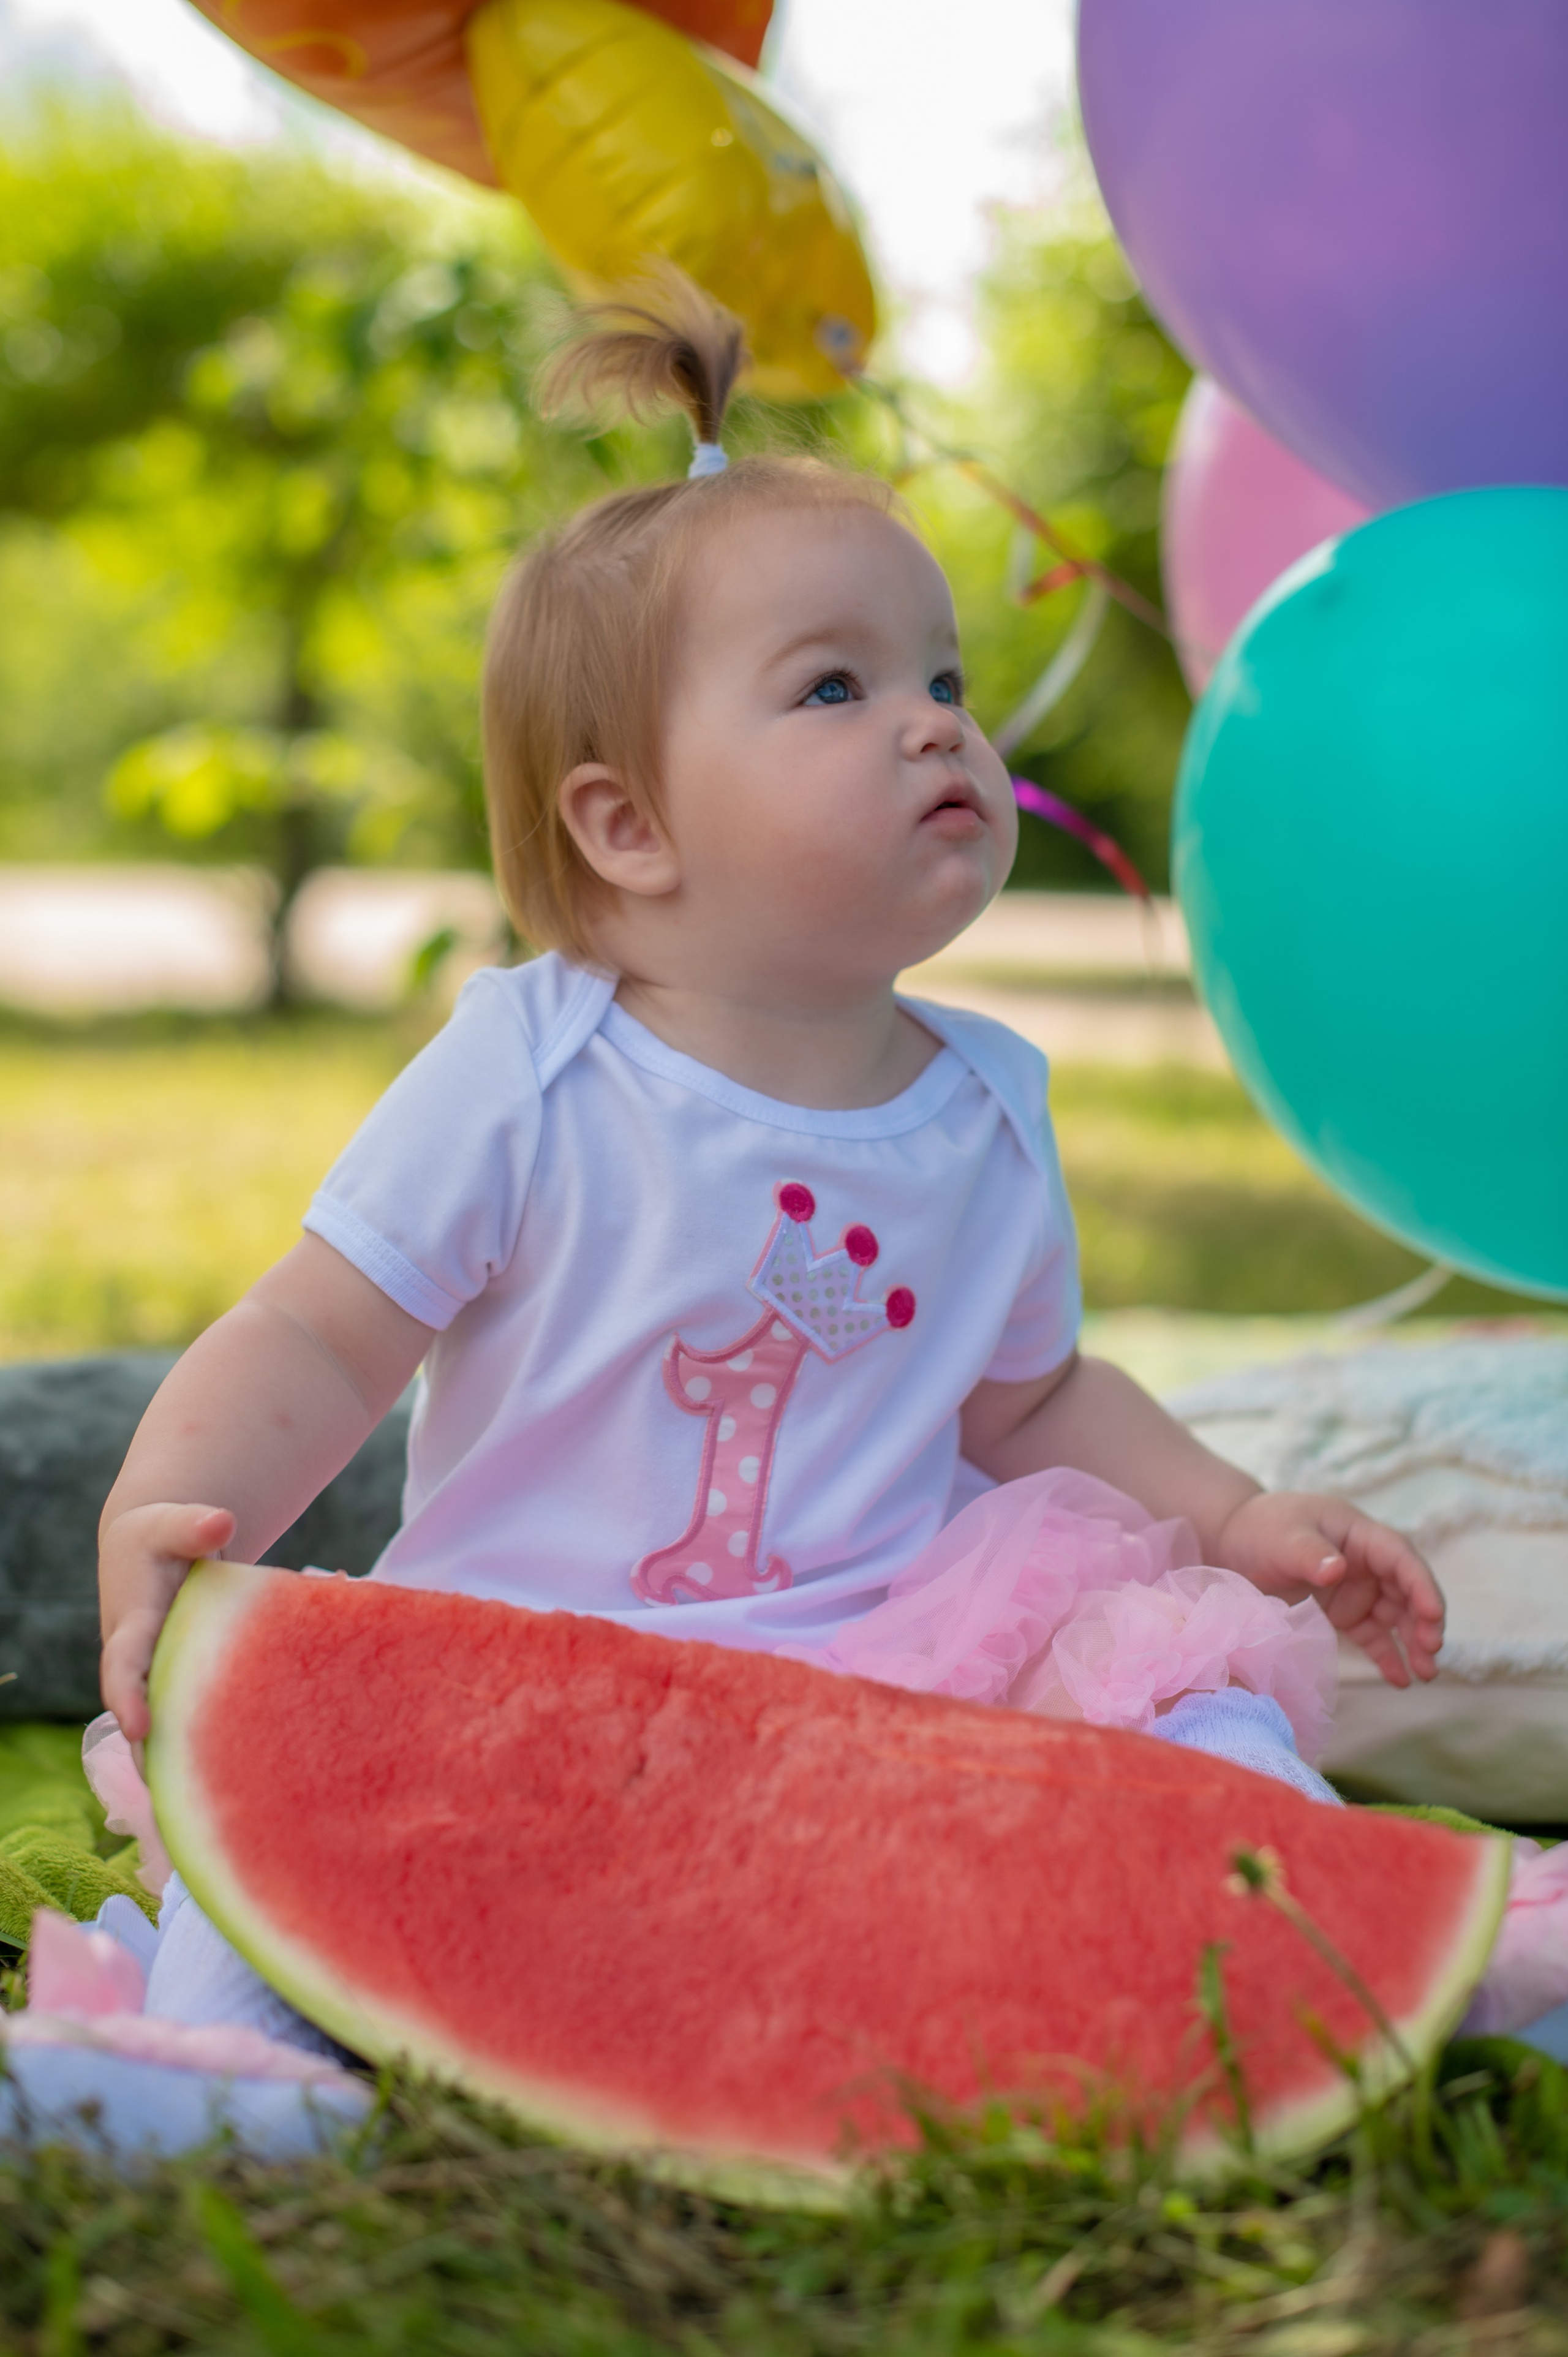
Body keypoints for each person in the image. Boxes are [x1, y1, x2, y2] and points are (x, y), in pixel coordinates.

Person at [91, 278, 1447, 2041]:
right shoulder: (532, 1065)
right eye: (834, 687)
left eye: (942, 676)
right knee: (289, 1859)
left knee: (1200, 1712)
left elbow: (1027, 1409)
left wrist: (1240, 1517)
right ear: (629, 826)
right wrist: (167, 1503)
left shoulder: (982, 1108)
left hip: (891, 1672)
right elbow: (323, 1332)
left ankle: (1330, 1971)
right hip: (539, 1681)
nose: (933, 722)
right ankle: (205, 2064)